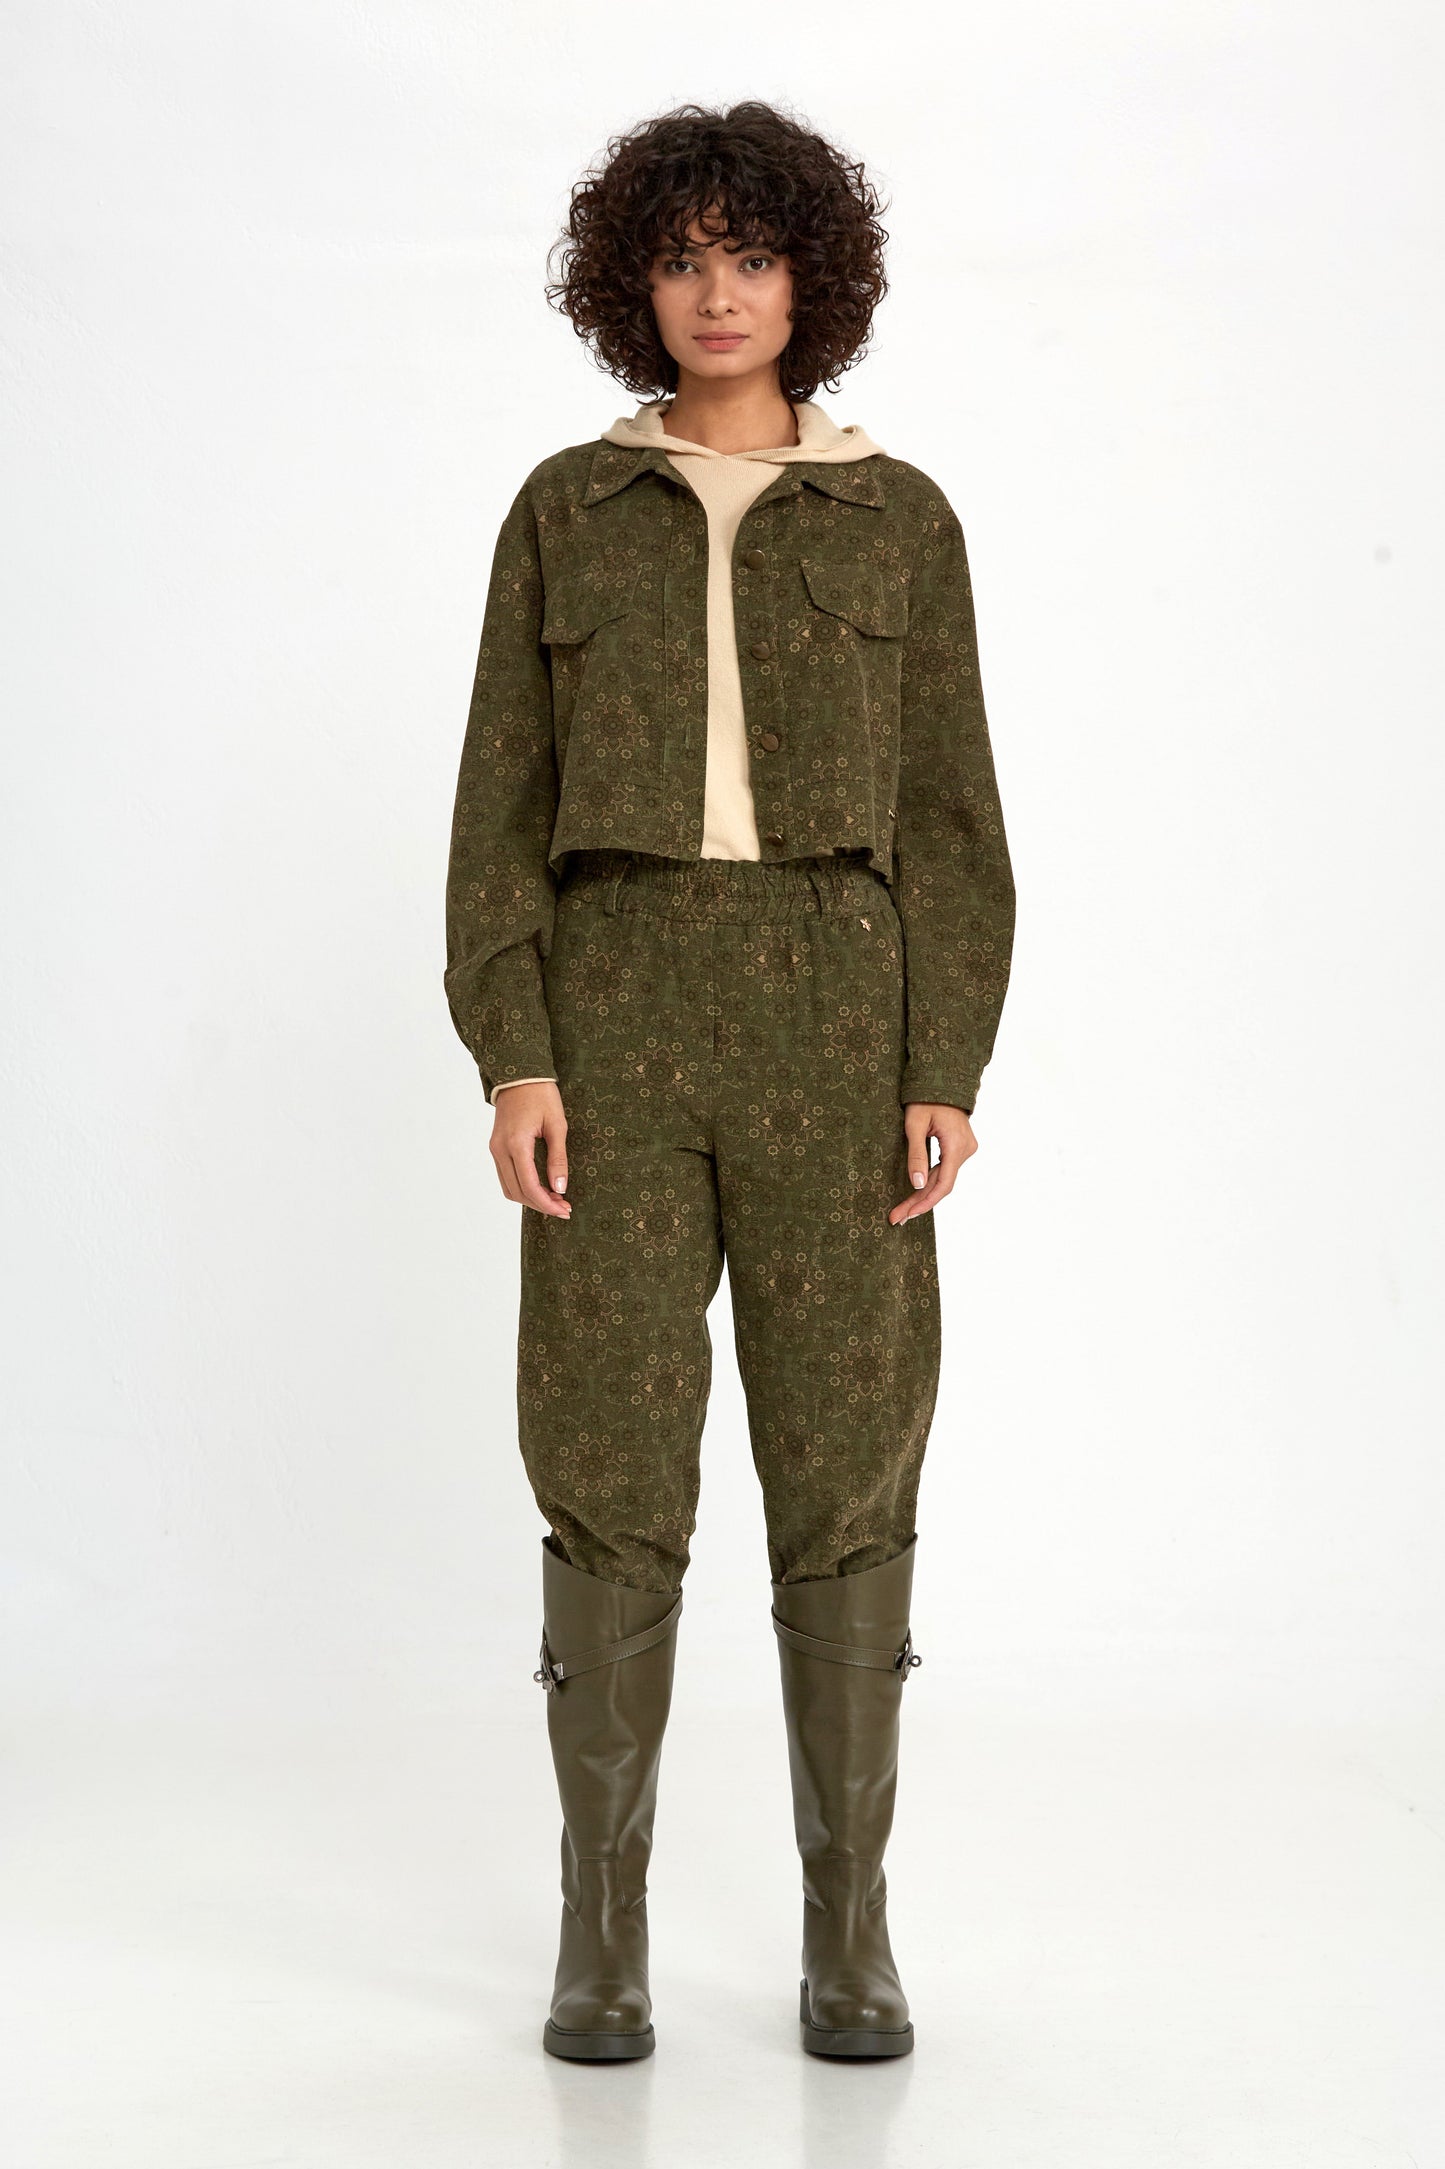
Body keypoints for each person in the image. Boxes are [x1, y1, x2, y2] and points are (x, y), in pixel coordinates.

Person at [443, 99, 1015, 2063]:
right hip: (615, 1000)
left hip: (836, 1009)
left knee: (847, 1451)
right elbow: (495, 813)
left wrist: (945, 1059)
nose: (716, 293)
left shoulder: (898, 517)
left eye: (749, 256)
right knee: (606, 1445)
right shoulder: (564, 508)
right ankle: (599, 1936)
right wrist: (517, 1046)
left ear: (807, 281)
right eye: (681, 258)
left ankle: (849, 1934)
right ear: (635, 285)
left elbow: (952, 820)